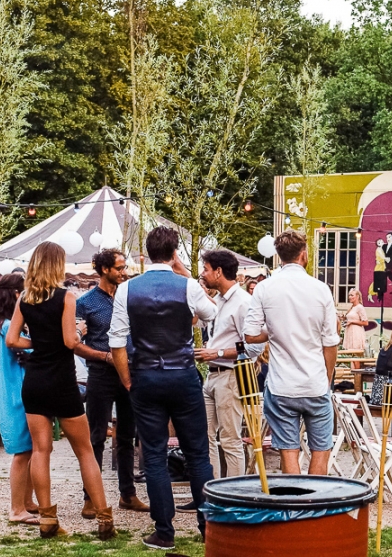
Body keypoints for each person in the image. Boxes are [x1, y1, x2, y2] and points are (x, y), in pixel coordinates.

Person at [108, 227, 217, 550]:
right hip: (182, 375)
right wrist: (185, 280)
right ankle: (207, 526)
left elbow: (116, 342)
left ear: (147, 251)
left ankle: (164, 531)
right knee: (198, 453)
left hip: (145, 376)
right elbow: (211, 314)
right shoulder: (186, 286)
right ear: (173, 254)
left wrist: (127, 379)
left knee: (153, 455)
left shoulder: (127, 289)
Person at [6, 242, 115, 540]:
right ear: (57, 265)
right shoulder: (67, 297)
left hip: (35, 382)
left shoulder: (24, 299)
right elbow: (69, 342)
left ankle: (47, 520)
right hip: (62, 382)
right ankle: (104, 519)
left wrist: (38, 344)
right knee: (85, 451)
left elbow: (12, 341)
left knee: (41, 450)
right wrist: (80, 331)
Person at [244, 229, 340, 477]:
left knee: (289, 451)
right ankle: (316, 508)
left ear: (279, 256)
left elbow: (250, 335)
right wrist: (327, 376)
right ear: (304, 255)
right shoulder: (321, 289)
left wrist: (273, 330)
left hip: (282, 384)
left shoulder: (265, 288)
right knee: (321, 449)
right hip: (315, 382)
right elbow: (330, 342)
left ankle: (294, 508)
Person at [74, 249, 148, 518]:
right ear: (104, 269)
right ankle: (90, 497)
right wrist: (105, 356)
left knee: (127, 435)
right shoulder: (85, 303)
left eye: (124, 267)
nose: (123, 272)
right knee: (95, 437)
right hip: (101, 374)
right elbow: (75, 344)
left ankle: (127, 494)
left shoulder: (129, 297)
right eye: (119, 268)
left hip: (130, 373)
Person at [193, 250, 264, 480]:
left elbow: (254, 348)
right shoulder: (220, 300)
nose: (203, 273)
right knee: (205, 437)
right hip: (212, 375)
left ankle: (235, 494)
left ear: (219, 271)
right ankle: (211, 492)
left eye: (206, 269)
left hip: (232, 376)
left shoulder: (243, 303)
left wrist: (218, 351)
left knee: (230, 439)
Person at [0, 273, 39, 524]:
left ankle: (27, 502)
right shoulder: (9, 327)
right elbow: (33, 349)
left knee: (26, 450)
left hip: (6, 392)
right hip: (17, 392)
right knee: (22, 453)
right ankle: (17, 509)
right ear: (18, 295)